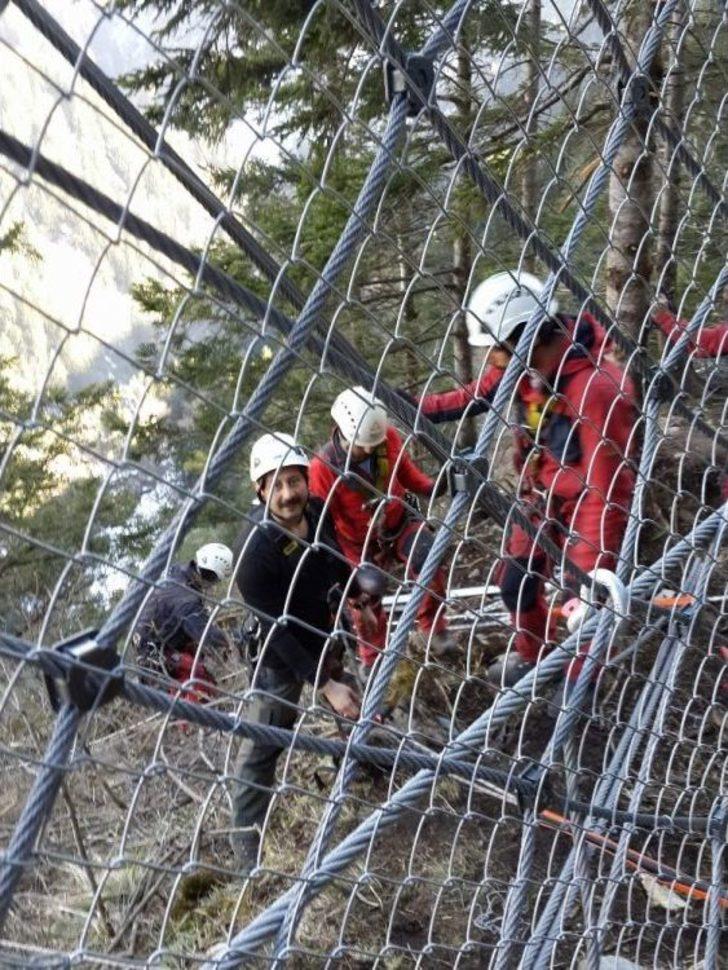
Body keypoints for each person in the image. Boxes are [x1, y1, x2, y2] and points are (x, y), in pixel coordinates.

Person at [413, 270, 638, 688]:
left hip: (585, 511)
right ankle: (536, 660)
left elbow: (606, 494)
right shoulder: (530, 367)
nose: (492, 359)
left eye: (496, 349)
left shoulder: (596, 388)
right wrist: (414, 407)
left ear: (523, 337)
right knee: (516, 586)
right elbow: (476, 395)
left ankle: (578, 687)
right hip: (541, 499)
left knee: (581, 611)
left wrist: (587, 578)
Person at [231, 432, 364, 871]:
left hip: (324, 629)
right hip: (279, 655)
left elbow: (335, 558)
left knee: (353, 706)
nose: (288, 494)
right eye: (277, 485)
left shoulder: (317, 509)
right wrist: (324, 685)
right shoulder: (255, 553)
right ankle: (248, 847)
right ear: (260, 490)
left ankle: (361, 764)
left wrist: (356, 598)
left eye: (294, 481)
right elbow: (279, 632)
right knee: (265, 743)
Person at [308, 386, 457, 671]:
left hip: (398, 522)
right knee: (366, 594)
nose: (368, 450)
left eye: (371, 444)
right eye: (361, 444)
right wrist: (343, 569)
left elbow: (408, 475)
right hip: (356, 543)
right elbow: (323, 523)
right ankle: (374, 659)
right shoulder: (323, 469)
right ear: (340, 430)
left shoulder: (385, 437)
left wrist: (436, 486)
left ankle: (434, 628)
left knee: (428, 556)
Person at [132, 542, 233, 701]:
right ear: (212, 577)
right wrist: (229, 642)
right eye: (215, 580)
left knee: (196, 655)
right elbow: (207, 634)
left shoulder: (178, 570)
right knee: (199, 677)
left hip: (153, 634)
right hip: (155, 649)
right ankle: (189, 717)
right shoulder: (187, 601)